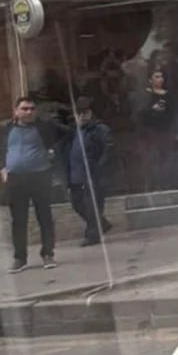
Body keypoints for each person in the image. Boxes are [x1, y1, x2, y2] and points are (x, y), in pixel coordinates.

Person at [0, 96, 67, 273]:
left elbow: (67, 133)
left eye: (32, 109)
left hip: (40, 175)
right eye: (24, 109)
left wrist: (53, 151)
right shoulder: (5, 128)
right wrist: (2, 167)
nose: (29, 112)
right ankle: (20, 258)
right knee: (18, 219)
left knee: (44, 216)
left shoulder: (44, 126)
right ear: (16, 111)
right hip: (15, 178)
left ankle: (47, 254)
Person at [65, 98, 114, 246]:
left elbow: (109, 148)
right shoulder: (73, 130)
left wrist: (99, 167)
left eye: (85, 112)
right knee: (77, 203)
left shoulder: (100, 129)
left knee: (92, 205)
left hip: (93, 173)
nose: (81, 116)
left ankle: (92, 235)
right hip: (76, 174)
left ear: (91, 113)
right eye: (78, 113)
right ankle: (102, 224)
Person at [131, 69, 177, 191]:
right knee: (151, 160)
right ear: (150, 80)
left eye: (161, 76)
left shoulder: (168, 95)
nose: (160, 79)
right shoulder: (145, 95)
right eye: (156, 76)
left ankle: (165, 184)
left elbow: (172, 114)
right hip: (150, 133)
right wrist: (152, 110)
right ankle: (152, 186)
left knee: (165, 159)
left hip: (165, 132)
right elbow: (139, 115)